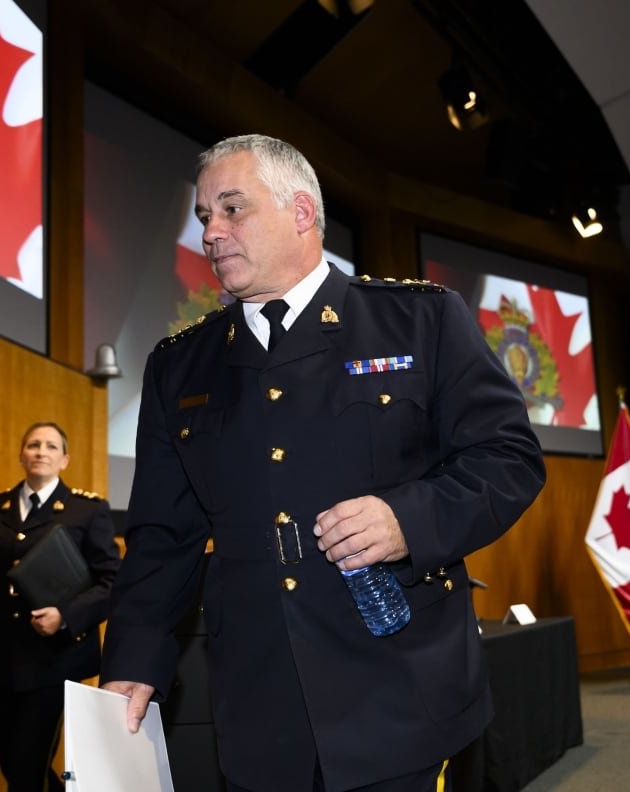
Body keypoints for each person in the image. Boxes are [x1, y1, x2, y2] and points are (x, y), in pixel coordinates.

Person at [99, 134, 546, 792]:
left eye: (231, 209)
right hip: (258, 698)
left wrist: (407, 520)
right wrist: (134, 658)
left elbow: (509, 458)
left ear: (301, 213)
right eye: (203, 217)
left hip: (400, 685)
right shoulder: (180, 366)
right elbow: (164, 533)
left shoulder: (416, 321)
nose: (210, 233)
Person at [0, 421, 121, 792]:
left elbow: (112, 582)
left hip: (53, 659)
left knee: (26, 767)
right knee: (12, 763)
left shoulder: (86, 510)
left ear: (64, 459)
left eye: (51, 446)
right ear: (22, 454)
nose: (41, 451)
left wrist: (66, 617)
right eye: (33, 445)